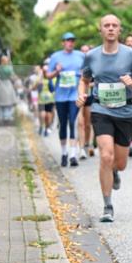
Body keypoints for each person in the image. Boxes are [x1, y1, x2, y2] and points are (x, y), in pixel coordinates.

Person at [77, 15, 132, 223]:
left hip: (125, 112)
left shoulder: (130, 54)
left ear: (119, 30)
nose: (110, 29)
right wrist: (81, 93)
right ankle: (107, 205)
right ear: (100, 30)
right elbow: (84, 80)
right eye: (106, 26)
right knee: (105, 155)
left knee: (119, 163)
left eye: (114, 26)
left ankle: (114, 171)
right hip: (101, 109)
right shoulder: (92, 56)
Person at [46, 32, 86, 167]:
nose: (70, 43)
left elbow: (87, 72)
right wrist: (56, 71)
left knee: (73, 122)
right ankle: (64, 153)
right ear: (63, 42)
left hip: (74, 95)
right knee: (63, 124)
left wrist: (83, 74)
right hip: (61, 96)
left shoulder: (80, 55)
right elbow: (48, 76)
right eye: (68, 41)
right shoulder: (56, 56)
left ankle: (73, 155)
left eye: (72, 41)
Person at [78, 43, 95, 160]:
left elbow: (96, 81)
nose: (84, 53)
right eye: (82, 51)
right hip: (79, 96)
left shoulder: (93, 64)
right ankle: (81, 148)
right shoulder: (77, 64)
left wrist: (88, 83)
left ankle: (87, 144)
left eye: (86, 51)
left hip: (89, 96)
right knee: (80, 123)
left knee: (88, 124)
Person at [0, 55, 17, 124]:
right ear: (7, 61)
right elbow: (13, 77)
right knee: (8, 102)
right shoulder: (9, 68)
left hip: (0, 85)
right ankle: (7, 116)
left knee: (0, 102)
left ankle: (1, 116)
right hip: (8, 84)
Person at [37, 63, 55, 136]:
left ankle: (44, 127)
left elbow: (53, 89)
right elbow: (54, 89)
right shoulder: (50, 78)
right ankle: (45, 127)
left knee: (45, 113)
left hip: (45, 99)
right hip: (46, 99)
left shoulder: (43, 79)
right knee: (45, 114)